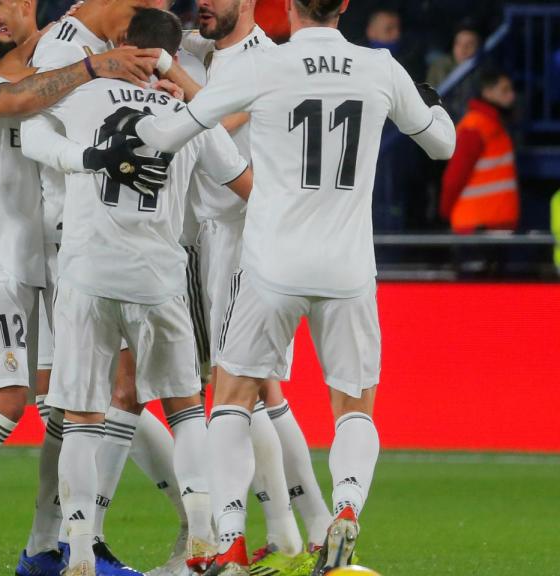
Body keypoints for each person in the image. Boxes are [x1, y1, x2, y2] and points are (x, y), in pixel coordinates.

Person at [116, 0, 456, 573]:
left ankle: (227, 538)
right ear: (344, 6)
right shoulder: (380, 67)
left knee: (232, 399)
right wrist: (429, 102)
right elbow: (442, 143)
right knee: (354, 407)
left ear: (289, 5)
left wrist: (147, 114)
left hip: (271, 265)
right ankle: (344, 509)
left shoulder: (266, 65)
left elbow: (171, 134)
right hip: (348, 267)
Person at [0, 0, 161, 573]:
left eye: (0, 7)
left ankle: (14, 537)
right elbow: (21, 97)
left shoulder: (35, 65)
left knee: (58, 401)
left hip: (27, 263)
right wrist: (97, 66)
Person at [26, 9, 251, 576]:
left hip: (86, 275)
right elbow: (245, 184)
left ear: (123, 43)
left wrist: (79, 160)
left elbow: (28, 128)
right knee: (184, 410)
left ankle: (77, 553)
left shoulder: (82, 96)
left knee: (80, 418)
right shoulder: (189, 113)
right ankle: (204, 540)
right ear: (173, 54)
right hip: (159, 279)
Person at [181, 1, 332, 572]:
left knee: (238, 386)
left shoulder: (266, 62)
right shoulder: (199, 51)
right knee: (258, 386)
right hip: (212, 237)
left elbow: (212, 126)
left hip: (253, 235)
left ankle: (278, 532)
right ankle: (299, 533)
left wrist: (172, 79)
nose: (204, 4)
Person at [440, 68, 518, 234]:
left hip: (490, 223)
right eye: (504, 90)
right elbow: (455, 177)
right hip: (477, 227)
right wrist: (445, 212)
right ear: (488, 92)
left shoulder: (493, 125)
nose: (512, 96)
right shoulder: (475, 127)